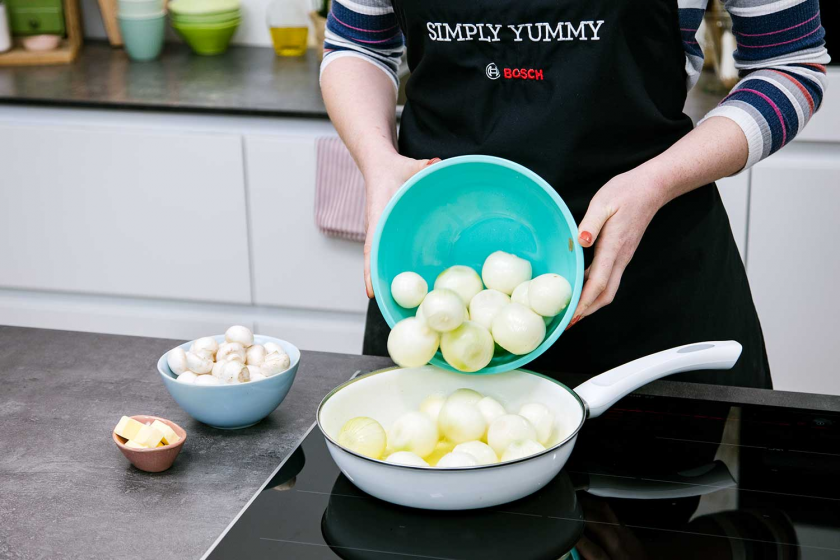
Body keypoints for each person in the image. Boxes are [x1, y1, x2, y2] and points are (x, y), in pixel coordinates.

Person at [320, 0, 829, 388]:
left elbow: (791, 66)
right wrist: (377, 159)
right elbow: (357, 46)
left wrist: (654, 183)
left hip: (647, 283)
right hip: (440, 295)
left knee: (657, 523)